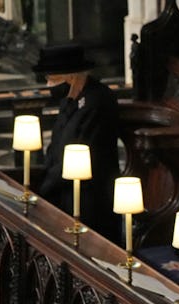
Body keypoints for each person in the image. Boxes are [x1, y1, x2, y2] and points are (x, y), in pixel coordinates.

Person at [33, 43, 120, 243]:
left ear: (72, 77)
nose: (49, 85)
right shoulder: (70, 98)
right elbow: (56, 146)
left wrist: (44, 190)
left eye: (53, 79)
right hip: (62, 192)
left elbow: (85, 152)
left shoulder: (98, 101)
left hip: (89, 200)